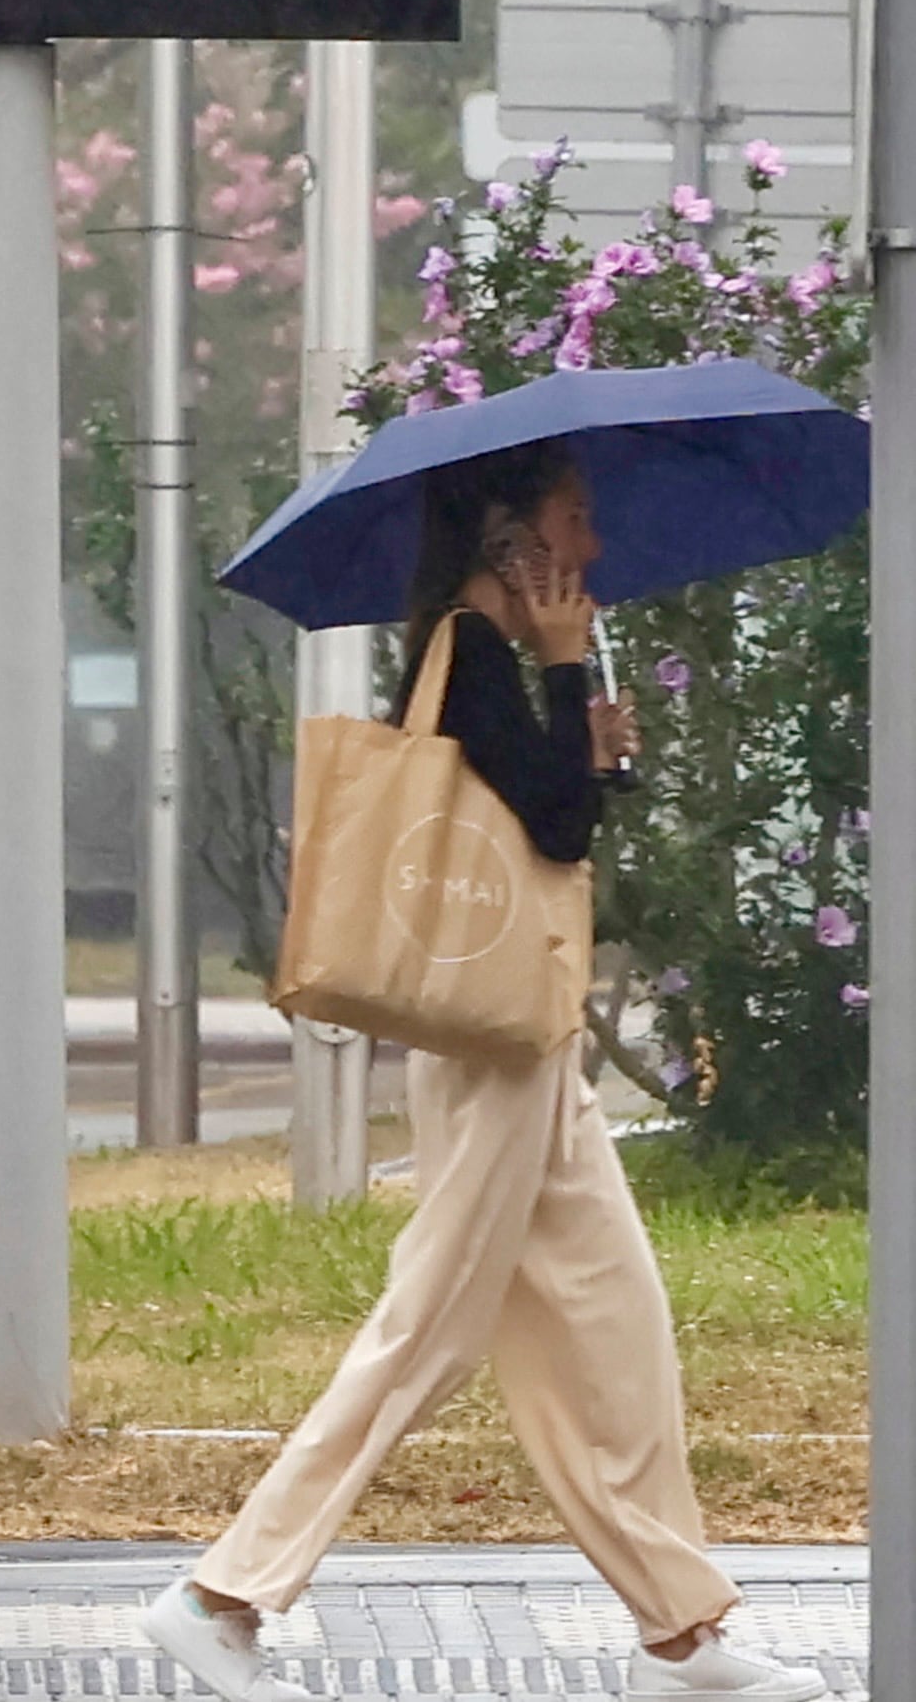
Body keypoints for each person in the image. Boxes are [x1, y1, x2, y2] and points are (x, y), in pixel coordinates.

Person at [141, 443, 823, 1702]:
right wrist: (569, 688)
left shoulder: (498, 666)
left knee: (617, 1327)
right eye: (575, 520)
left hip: (535, 1043)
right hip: (489, 1047)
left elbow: (551, 811)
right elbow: (552, 827)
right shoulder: (477, 654)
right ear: (513, 542)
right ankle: (218, 1595)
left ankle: (681, 1630)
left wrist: (591, 739)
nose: (595, 547)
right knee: (428, 1332)